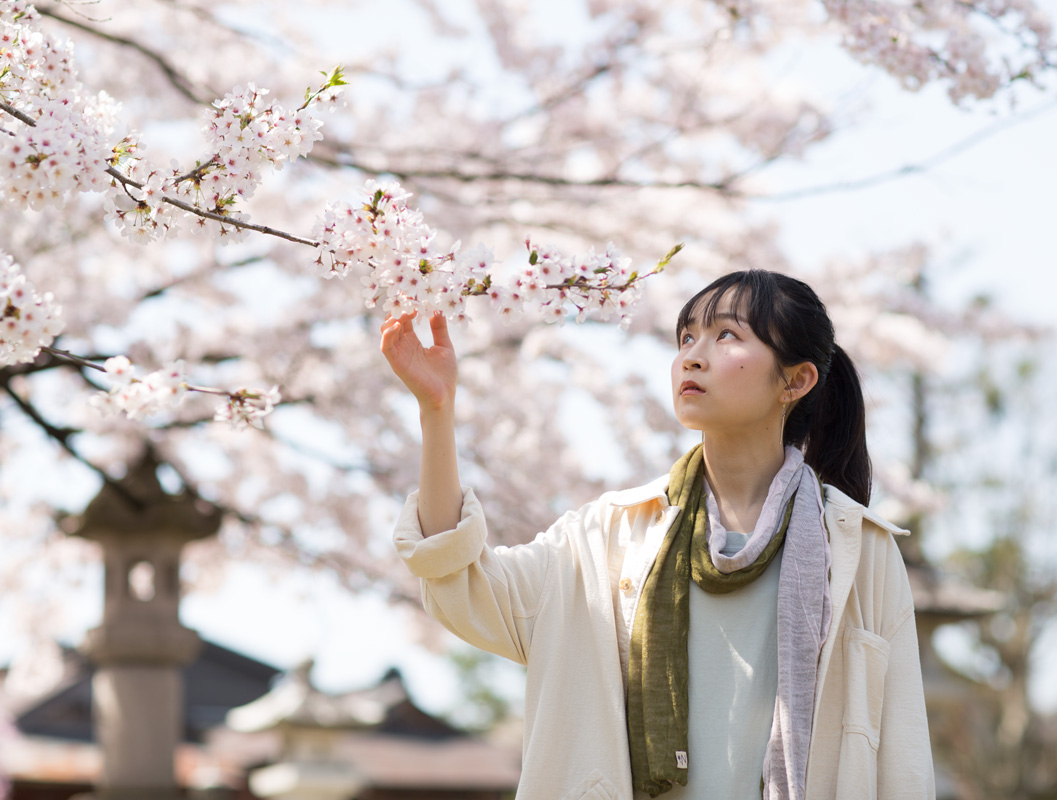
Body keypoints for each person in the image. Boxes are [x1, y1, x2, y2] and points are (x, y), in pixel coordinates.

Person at [384, 270, 935, 800]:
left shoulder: (860, 552)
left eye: (727, 335)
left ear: (796, 380)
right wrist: (437, 410)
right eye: (687, 336)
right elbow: (460, 578)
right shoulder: (607, 536)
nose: (693, 355)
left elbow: (902, 762)